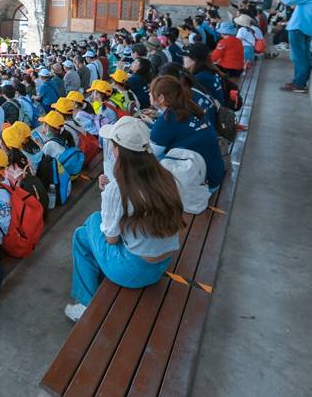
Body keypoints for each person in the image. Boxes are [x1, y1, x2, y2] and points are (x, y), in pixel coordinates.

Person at [65, 116, 182, 321]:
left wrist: (106, 195)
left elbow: (111, 239)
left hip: (132, 271)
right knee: (88, 232)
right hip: (161, 264)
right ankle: (93, 277)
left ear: (118, 150)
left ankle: (85, 304)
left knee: (85, 230)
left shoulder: (117, 189)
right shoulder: (165, 176)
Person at [147, 76, 224, 190]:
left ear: (161, 98)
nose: (149, 94)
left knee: (147, 163)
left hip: (203, 185)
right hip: (215, 173)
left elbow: (151, 153)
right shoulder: (191, 107)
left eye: (151, 92)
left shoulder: (166, 121)